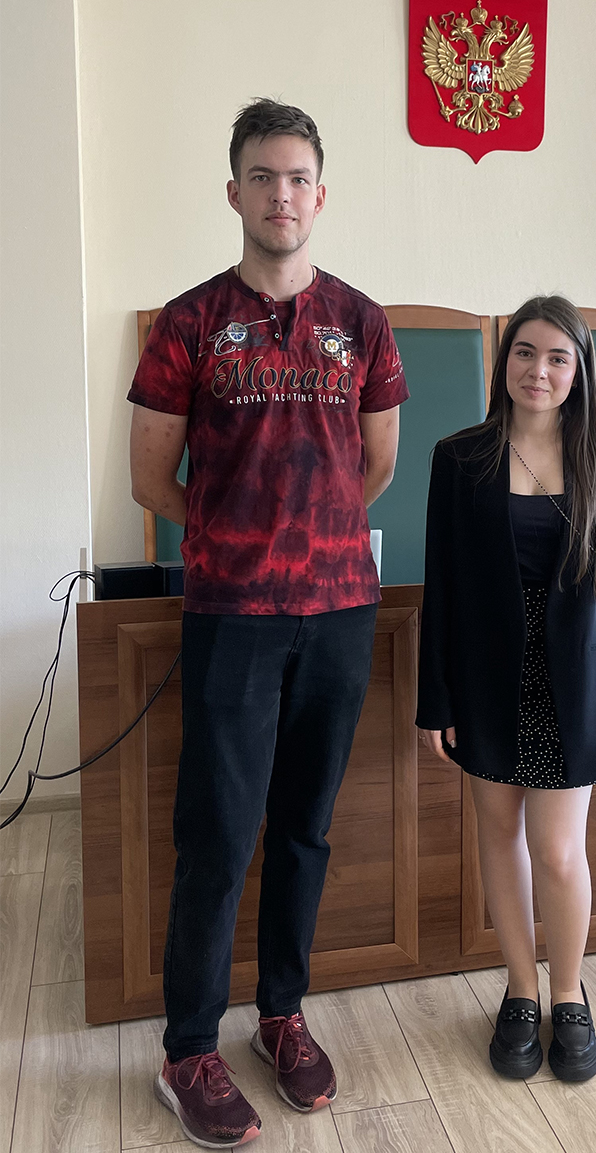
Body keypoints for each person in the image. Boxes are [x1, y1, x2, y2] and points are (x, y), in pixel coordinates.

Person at [128, 98, 409, 1148]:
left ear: (319, 195)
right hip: (231, 617)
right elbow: (151, 478)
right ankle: (187, 1050)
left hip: (339, 615)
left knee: (303, 828)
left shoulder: (363, 323)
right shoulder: (188, 323)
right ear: (234, 192)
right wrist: (237, 536)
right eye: (262, 176)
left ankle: (280, 1015)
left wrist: (314, 535)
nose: (280, 194)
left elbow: (375, 466)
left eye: (297, 178)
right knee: (217, 836)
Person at [416, 295, 596, 1082]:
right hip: (484, 679)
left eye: (556, 357)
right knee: (499, 834)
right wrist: (436, 700)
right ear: (504, 361)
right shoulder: (459, 458)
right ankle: (520, 990)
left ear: (579, 372)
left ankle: (569, 993)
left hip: (577, 680)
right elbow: (442, 587)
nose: (538, 371)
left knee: (556, 848)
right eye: (524, 353)